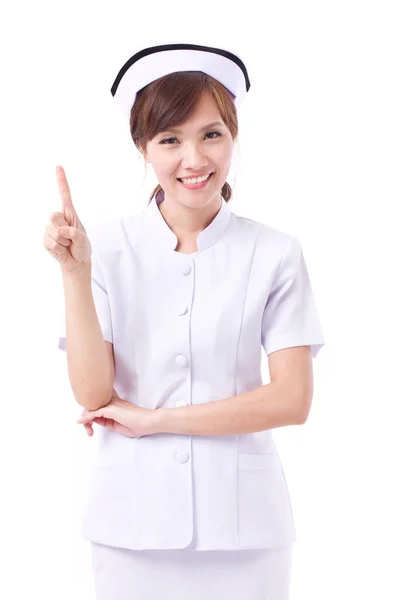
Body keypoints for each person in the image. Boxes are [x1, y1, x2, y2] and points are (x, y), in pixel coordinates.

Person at [44, 42, 325, 600]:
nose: (194, 160)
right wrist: (75, 273)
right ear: (143, 148)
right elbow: (93, 389)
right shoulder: (107, 248)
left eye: (211, 134)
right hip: (130, 524)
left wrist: (156, 420)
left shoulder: (275, 252)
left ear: (233, 136)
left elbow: (292, 401)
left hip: (246, 530)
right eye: (170, 139)